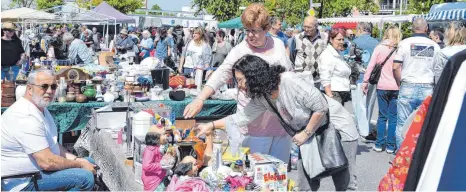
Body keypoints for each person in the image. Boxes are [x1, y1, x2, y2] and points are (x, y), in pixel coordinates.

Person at [196, 55, 359, 191]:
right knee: (305, 184)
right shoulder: (263, 97)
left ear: (253, 76)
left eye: (240, 80)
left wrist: (305, 133)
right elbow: (240, 118)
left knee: (344, 183)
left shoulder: (288, 81)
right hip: (310, 134)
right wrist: (209, 125)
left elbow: (321, 107)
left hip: (337, 129)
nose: (239, 86)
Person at [185, 3, 293, 163]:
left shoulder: (278, 44)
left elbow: (289, 73)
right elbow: (221, 73)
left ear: (266, 28)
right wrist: (201, 98)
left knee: (278, 175)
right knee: (256, 174)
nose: (250, 35)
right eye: (247, 30)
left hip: (281, 122)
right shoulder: (240, 50)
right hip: (253, 125)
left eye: (255, 31)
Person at [1, 69, 96, 191]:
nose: (49, 91)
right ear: (29, 89)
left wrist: (78, 160)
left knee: (89, 161)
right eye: (44, 86)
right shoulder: (25, 115)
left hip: (37, 173)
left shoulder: (40, 109)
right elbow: (46, 162)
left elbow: (53, 145)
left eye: (53, 86)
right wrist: (80, 164)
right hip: (24, 182)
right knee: (84, 177)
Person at [392, 18, 441, 151]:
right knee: (423, 124)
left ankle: (401, 156)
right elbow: (437, 70)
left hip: (408, 85)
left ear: (413, 28)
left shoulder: (404, 43)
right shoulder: (435, 46)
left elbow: (396, 66)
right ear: (426, 28)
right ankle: (418, 154)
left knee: (402, 123)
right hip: (427, 86)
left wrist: (400, 82)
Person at [362, 26, 402, 154]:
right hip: (396, 86)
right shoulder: (400, 49)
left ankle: (379, 144)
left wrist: (365, 81)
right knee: (393, 117)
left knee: (382, 116)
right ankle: (390, 146)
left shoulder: (379, 48)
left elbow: (371, 65)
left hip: (382, 86)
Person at [319, 28, 352, 105]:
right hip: (333, 94)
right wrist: (330, 96)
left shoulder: (337, 53)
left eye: (343, 39)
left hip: (340, 93)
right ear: (331, 39)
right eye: (339, 39)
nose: (341, 42)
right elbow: (325, 78)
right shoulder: (327, 55)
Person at [293, 16, 328, 87]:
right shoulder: (297, 38)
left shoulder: (325, 37)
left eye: (309, 27)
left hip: (318, 79)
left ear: (316, 26)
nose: (306, 29)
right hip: (301, 78)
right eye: (304, 27)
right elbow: (292, 56)